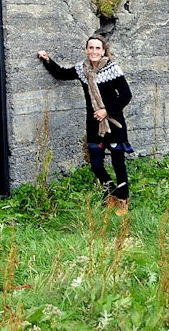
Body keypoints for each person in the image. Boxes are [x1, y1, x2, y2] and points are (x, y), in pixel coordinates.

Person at [37, 34, 133, 214]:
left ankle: (123, 199)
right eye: (91, 48)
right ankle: (111, 192)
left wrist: (106, 110)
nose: (94, 51)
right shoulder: (82, 70)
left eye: (98, 48)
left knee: (118, 163)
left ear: (103, 51)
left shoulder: (113, 69)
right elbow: (61, 73)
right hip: (94, 125)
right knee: (96, 164)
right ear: (86, 50)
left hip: (114, 124)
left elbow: (126, 95)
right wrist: (47, 59)